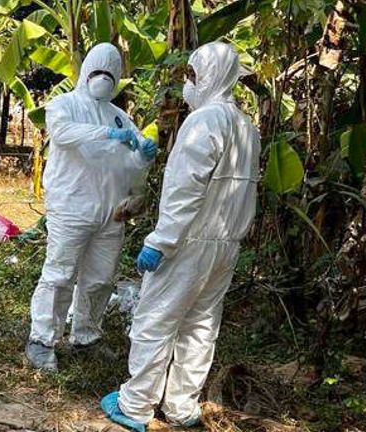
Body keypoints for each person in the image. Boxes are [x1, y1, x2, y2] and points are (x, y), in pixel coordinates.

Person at [101, 42, 260, 430]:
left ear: (208, 77)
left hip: (189, 241)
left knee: (157, 319)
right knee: (201, 325)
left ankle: (135, 404)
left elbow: (185, 189)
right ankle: (181, 406)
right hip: (226, 244)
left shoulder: (205, 121)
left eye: (192, 75)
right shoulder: (245, 126)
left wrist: (161, 240)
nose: (187, 84)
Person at [26, 43, 157, 372]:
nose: (104, 79)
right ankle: (41, 339)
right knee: (59, 274)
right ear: (85, 72)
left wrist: (143, 155)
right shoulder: (64, 105)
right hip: (71, 207)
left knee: (100, 279)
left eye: (111, 74)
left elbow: (131, 168)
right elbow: (64, 134)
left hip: (110, 213)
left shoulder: (121, 116)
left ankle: (86, 336)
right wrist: (109, 134)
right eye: (98, 71)